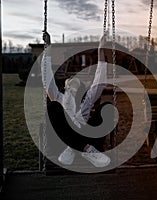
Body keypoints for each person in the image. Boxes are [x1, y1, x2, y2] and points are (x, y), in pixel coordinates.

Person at [42, 32, 111, 168]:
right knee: (53, 107)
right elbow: (47, 79)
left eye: (77, 79)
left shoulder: (86, 100)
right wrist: (48, 49)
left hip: (87, 135)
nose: (73, 78)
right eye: (71, 79)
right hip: (64, 140)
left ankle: (74, 148)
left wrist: (100, 50)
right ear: (66, 85)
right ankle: (85, 149)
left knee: (107, 107)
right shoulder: (59, 97)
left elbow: (100, 81)